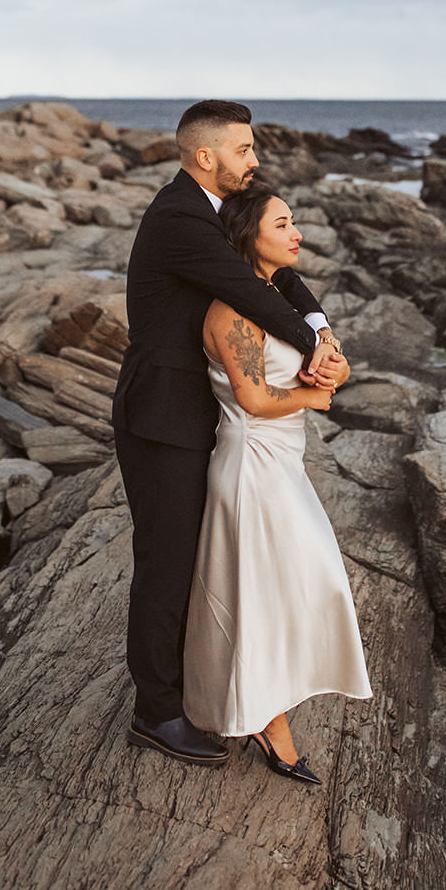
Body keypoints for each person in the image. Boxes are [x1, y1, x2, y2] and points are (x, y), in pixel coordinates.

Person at [112, 100, 348, 767]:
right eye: (244, 150)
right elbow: (242, 290)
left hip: (203, 413)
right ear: (204, 155)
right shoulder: (178, 217)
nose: (254, 160)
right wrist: (316, 354)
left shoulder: (212, 215)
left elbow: (276, 274)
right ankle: (155, 713)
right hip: (163, 415)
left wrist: (321, 331)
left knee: (201, 559)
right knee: (167, 563)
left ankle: (204, 685)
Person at [182, 185, 372, 784]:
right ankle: (270, 723)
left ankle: (269, 709)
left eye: (295, 223)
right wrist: (317, 395)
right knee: (274, 594)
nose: (297, 234)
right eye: (284, 224)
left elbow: (318, 349)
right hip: (252, 465)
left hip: (283, 463)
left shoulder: (274, 296)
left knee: (296, 590)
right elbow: (255, 397)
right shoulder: (232, 311)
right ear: (248, 235)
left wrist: (334, 359)